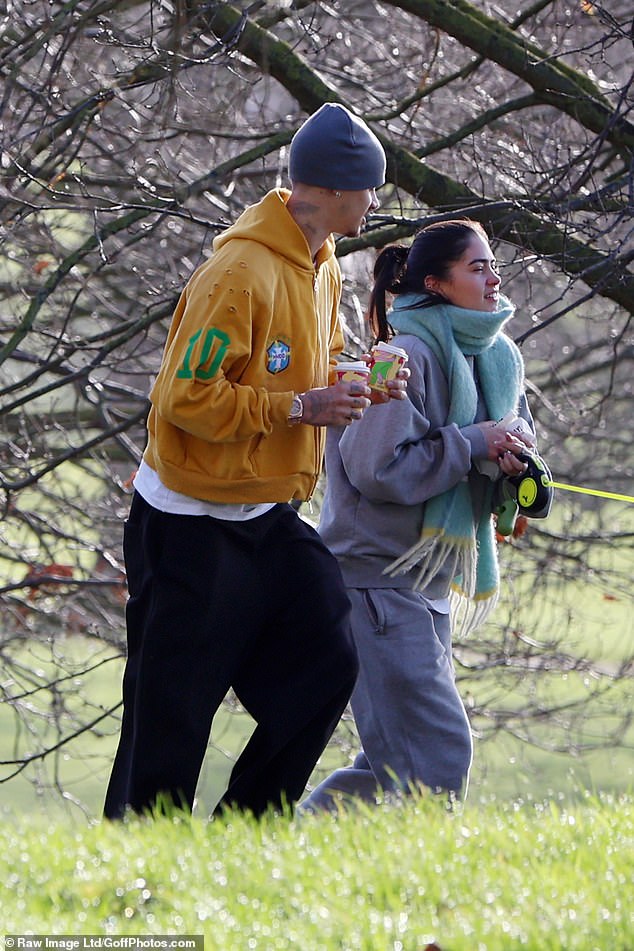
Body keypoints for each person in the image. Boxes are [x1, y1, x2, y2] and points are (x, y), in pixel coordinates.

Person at [103, 103, 408, 820]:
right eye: (370, 188)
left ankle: (246, 827)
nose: (374, 203)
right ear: (333, 188)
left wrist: (360, 375)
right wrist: (300, 409)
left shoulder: (322, 262)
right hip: (188, 527)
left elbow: (317, 358)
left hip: (266, 514)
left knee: (330, 658)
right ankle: (137, 869)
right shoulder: (240, 273)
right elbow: (186, 396)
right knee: (168, 725)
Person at [300, 219, 543, 813]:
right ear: (435, 283)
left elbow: (501, 440)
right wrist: (472, 445)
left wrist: (514, 463)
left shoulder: (498, 360)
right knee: (435, 749)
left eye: (493, 265)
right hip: (377, 580)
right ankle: (420, 873)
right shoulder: (397, 357)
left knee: (393, 761)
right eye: (477, 267)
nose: (493, 278)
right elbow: (373, 468)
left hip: (426, 583)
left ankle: (289, 846)